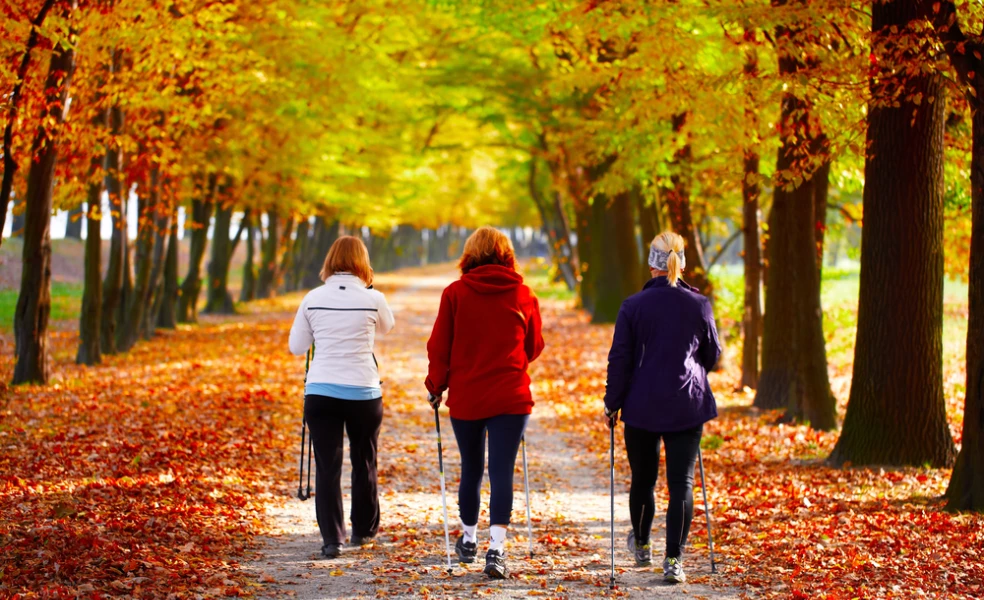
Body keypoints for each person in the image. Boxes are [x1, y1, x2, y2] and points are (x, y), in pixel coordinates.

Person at [425, 226, 545, 579]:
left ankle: (469, 539)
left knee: (472, 468)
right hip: (511, 395)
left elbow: (439, 347)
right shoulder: (524, 294)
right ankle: (497, 549)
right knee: (502, 470)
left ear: (470, 255)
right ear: (507, 255)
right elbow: (534, 346)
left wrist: (436, 386)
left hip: (468, 396)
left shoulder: (455, 294)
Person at [602, 231, 721, 584]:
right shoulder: (699, 304)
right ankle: (674, 559)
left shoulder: (633, 306)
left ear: (650, 263)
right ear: (682, 262)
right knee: (681, 481)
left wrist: (612, 403)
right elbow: (712, 354)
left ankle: (641, 544)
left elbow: (620, 359)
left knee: (643, 478)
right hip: (687, 402)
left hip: (641, 406)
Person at [288, 235, 395, 559]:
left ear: (330, 261)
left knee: (328, 465)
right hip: (363, 390)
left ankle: (332, 539)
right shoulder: (373, 298)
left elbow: (296, 347)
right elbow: (387, 328)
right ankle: (362, 531)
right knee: (364, 460)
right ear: (363, 262)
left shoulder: (312, 298)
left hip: (322, 391)